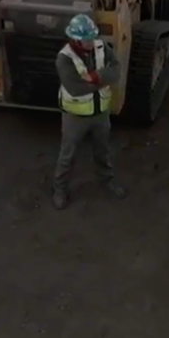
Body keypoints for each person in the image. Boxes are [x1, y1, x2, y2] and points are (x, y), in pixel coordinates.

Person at [52, 12, 126, 210]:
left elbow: (117, 70)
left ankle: (107, 180)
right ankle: (60, 189)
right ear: (76, 40)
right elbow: (75, 88)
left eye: (93, 37)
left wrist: (94, 77)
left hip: (100, 113)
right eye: (87, 40)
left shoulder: (101, 47)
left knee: (103, 151)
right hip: (74, 117)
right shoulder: (64, 59)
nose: (92, 42)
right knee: (67, 155)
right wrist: (104, 81)